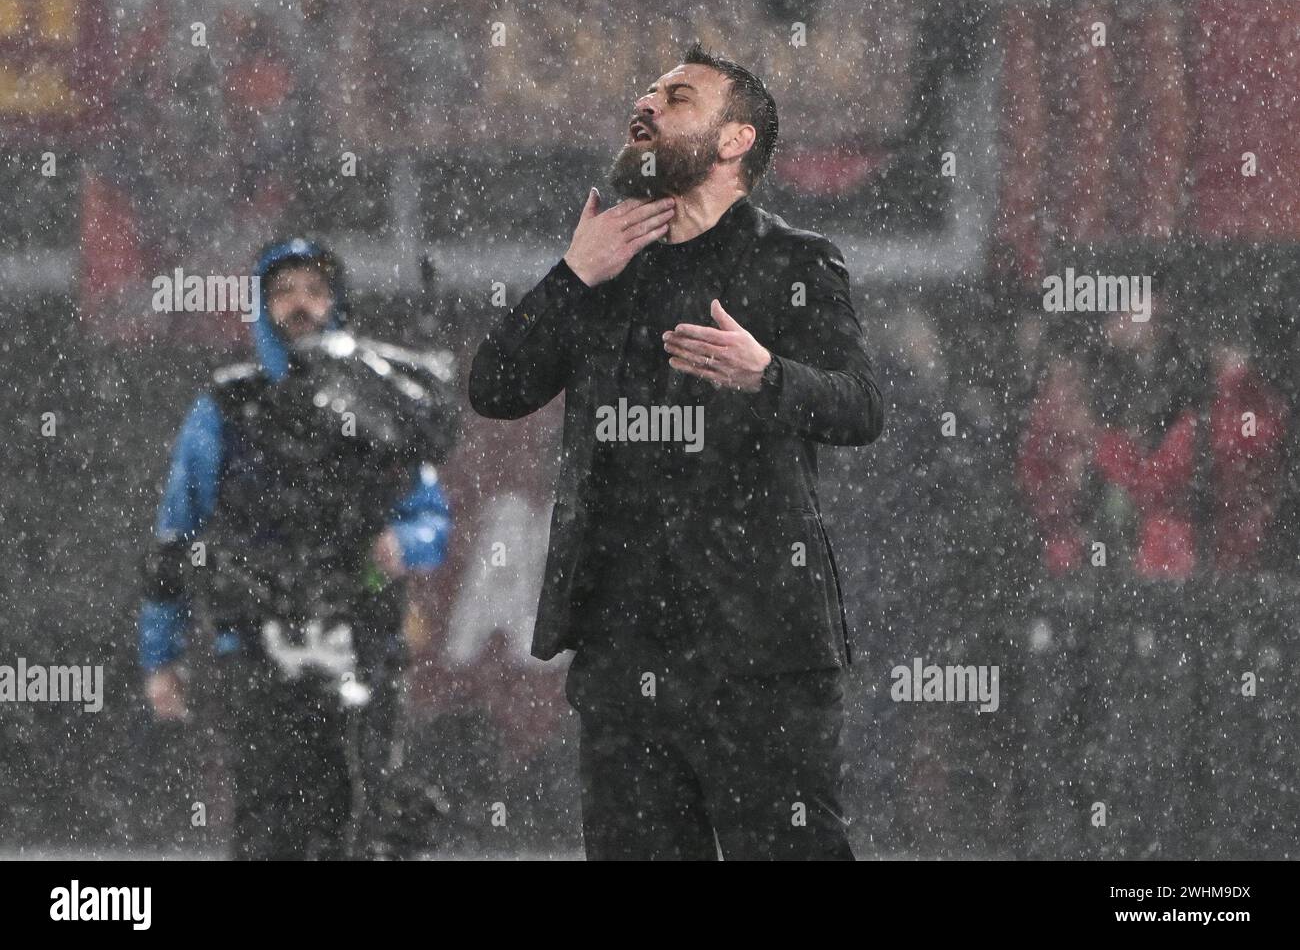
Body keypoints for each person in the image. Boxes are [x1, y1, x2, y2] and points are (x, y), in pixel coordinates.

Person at [469, 44, 884, 860]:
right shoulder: (607, 263)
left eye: (679, 96)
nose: (648, 104)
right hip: (624, 655)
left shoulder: (793, 261)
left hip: (761, 652)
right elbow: (495, 388)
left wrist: (767, 375)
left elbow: (860, 406)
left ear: (734, 142)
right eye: (646, 89)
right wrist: (569, 274)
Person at [138, 237, 457, 859]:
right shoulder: (225, 409)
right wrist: (160, 657)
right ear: (260, 307)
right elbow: (178, 536)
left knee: (365, 824)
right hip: (259, 649)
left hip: (358, 641)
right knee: (269, 828)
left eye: (314, 290)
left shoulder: (374, 395)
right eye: (284, 292)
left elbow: (430, 518)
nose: (300, 305)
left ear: (336, 304)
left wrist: (403, 544)